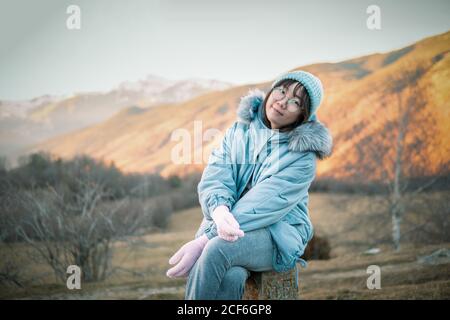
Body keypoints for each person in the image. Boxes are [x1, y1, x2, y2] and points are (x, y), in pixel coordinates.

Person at [166, 70, 333, 299]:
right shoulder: (240, 130)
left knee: (216, 249)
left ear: (302, 116)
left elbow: (262, 204)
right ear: (272, 90)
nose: (283, 102)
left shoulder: (301, 157)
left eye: (295, 102)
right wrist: (219, 209)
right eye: (282, 91)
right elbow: (217, 174)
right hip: (231, 228)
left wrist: (206, 238)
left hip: (276, 235)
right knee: (231, 276)